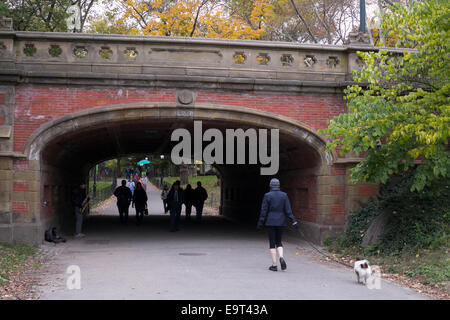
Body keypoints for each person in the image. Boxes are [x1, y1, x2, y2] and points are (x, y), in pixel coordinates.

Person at [257, 178, 299, 272]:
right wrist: (294, 222)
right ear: (279, 185)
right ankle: (281, 257)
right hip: (281, 221)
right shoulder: (284, 195)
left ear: (270, 185)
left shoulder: (267, 195)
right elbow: (288, 211)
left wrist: (260, 223)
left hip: (270, 222)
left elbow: (264, 211)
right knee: (279, 241)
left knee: (272, 242)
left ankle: (274, 265)